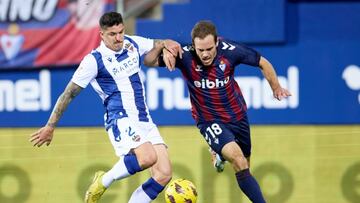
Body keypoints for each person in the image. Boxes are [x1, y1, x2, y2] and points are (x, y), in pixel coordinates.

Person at [29, 11, 182, 203]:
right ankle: (104, 179)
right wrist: (50, 126)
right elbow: (68, 94)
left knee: (164, 174)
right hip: (120, 117)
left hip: (143, 118)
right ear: (102, 34)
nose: (118, 38)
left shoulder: (131, 43)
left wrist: (166, 43)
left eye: (121, 32)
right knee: (148, 157)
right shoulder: (94, 60)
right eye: (112, 34)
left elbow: (155, 43)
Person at [148, 20, 291, 203]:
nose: (205, 54)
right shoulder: (183, 55)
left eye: (209, 49)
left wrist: (276, 87)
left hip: (238, 116)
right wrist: (163, 44)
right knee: (238, 160)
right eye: (201, 50)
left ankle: (218, 153)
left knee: (245, 165)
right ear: (194, 45)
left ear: (217, 42)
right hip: (208, 120)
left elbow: (262, 62)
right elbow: (148, 61)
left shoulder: (231, 51)